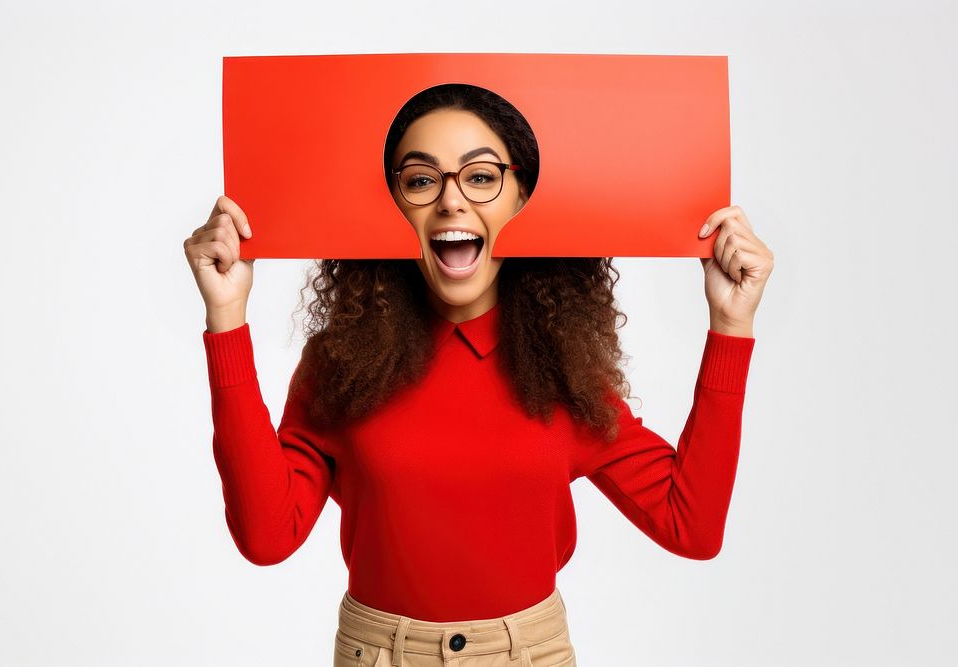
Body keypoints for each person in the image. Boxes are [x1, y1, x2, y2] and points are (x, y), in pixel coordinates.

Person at [182, 83, 773, 666]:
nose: (451, 201)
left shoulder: (562, 372)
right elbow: (265, 538)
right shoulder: (341, 365)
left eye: (482, 176)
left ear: (523, 198)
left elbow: (690, 526)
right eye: (419, 179)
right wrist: (227, 316)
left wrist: (729, 324)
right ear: (390, 207)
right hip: (379, 653)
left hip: (526, 654)